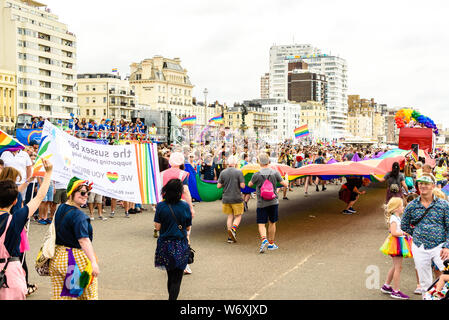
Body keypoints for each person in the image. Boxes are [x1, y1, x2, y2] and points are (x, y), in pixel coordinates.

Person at [0, 159, 52, 300]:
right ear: (15, 201)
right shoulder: (15, 220)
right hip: (9, 273)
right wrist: (48, 173)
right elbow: (39, 197)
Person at [49, 177, 100, 300]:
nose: (86, 196)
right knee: (88, 295)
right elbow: (83, 240)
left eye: (87, 193)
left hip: (57, 258)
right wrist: (93, 262)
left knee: (60, 297)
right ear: (71, 193)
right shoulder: (79, 216)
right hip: (75, 259)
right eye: (82, 193)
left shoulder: (60, 207)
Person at [401, 173, 449, 296]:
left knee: (447, 274)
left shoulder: (443, 205)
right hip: (419, 247)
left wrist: (447, 246)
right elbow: (404, 225)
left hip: (440, 246)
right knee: (424, 282)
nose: (423, 186)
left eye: (426, 183)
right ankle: (428, 298)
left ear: (433, 186)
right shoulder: (412, 206)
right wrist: (417, 234)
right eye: (420, 183)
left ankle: (441, 295)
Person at [154, 179, 192, 300]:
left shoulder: (161, 206)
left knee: (170, 275)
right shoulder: (185, 206)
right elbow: (188, 227)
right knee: (177, 278)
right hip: (180, 244)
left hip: (164, 244)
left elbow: (157, 226)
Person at [160, 152, 195, 274]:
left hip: (165, 207)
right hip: (180, 207)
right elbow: (186, 191)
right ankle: (183, 264)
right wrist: (191, 207)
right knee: (185, 235)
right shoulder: (183, 174)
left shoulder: (162, 174)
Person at [248, 153, 288, 253]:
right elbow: (285, 184)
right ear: (269, 162)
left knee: (261, 223)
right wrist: (286, 177)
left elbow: (250, 184)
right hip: (273, 201)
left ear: (259, 162)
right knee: (272, 222)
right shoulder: (275, 173)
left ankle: (264, 239)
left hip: (261, 202)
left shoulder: (256, 174)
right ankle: (271, 244)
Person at [380, 197, 411, 300]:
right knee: (398, 268)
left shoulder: (396, 217)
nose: (403, 207)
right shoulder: (394, 218)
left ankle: (386, 285)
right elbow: (393, 232)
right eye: (402, 205)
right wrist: (404, 233)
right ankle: (396, 291)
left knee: (395, 266)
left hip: (397, 242)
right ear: (397, 208)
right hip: (396, 243)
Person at [217, 155, 246, 243]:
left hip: (226, 198)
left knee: (230, 216)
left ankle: (230, 237)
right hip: (236, 197)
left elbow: (218, 186)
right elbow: (242, 186)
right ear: (235, 163)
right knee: (238, 216)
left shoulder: (223, 172)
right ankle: (233, 230)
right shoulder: (238, 172)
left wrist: (225, 183)